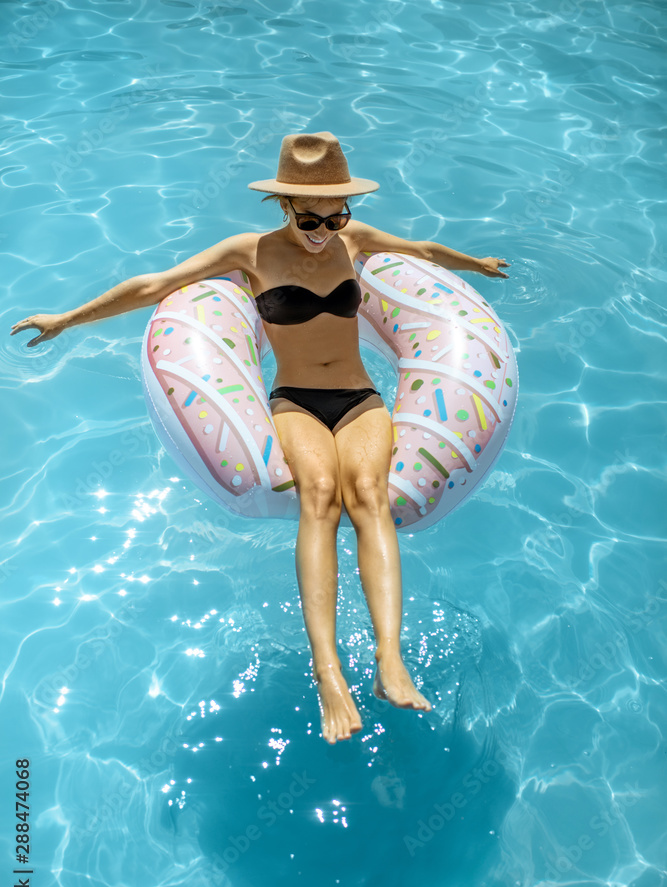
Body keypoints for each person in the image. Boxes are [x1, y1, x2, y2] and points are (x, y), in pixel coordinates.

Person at [11, 130, 509, 745]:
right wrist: (66, 319)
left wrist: (476, 264)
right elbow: (152, 286)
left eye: (337, 214)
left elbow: (422, 250)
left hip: (360, 398)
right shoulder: (251, 252)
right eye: (310, 217)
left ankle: (388, 661)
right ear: (282, 207)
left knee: (371, 497)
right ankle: (329, 674)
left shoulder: (354, 242)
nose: (324, 229)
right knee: (321, 497)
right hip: (296, 399)